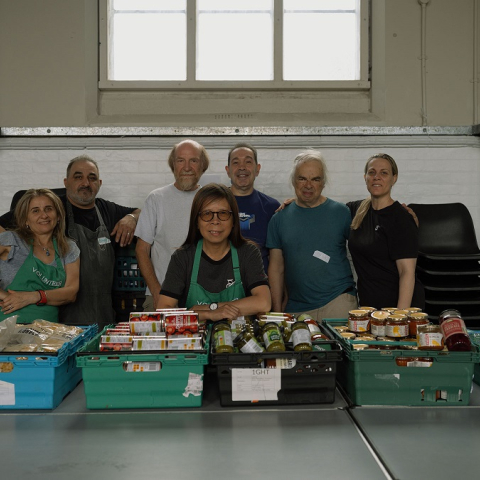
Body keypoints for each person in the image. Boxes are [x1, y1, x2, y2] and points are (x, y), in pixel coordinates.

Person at [0, 155, 141, 328]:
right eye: (78, 177)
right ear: (66, 182)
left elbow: (144, 212)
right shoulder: (50, 206)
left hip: (99, 313)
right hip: (58, 321)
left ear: (99, 183)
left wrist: (131, 218)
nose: (85, 183)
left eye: (92, 178)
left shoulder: (104, 210)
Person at [157, 183, 271, 321]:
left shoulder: (248, 252)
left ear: (234, 220)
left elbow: (264, 302)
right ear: (197, 221)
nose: (215, 221)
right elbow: (163, 309)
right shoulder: (183, 257)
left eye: (223, 213)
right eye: (207, 214)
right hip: (194, 340)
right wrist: (209, 314)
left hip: (239, 339)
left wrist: (209, 308)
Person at [266, 150, 357, 321]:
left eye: (315, 179)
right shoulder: (279, 219)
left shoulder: (341, 213)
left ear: (323, 183)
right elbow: (276, 269)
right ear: (293, 181)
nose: (308, 185)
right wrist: (277, 312)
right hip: (295, 310)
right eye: (302, 178)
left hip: (338, 303)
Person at [135, 139, 210, 311]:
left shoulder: (210, 198)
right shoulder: (156, 198)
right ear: (173, 165)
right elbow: (142, 249)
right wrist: (156, 291)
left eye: (194, 160)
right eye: (180, 160)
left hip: (204, 297)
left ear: (202, 166)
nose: (187, 167)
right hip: (162, 294)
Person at [347, 153, 425, 309]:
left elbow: (407, 273)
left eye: (384, 173)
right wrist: (300, 201)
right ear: (365, 177)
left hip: (397, 306)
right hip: (369, 306)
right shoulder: (355, 209)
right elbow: (325, 208)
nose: (377, 177)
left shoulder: (401, 218)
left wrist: (400, 317)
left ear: (394, 178)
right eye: (372, 172)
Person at [0, 189, 80, 324]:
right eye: (35, 211)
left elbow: (71, 292)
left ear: (58, 216)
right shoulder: (10, 240)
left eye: (49, 209)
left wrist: (33, 297)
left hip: (47, 332)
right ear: (26, 219)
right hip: (7, 328)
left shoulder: (68, 248)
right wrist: (4, 296)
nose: (44, 215)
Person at [226, 143, 280, 271]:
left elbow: (277, 259)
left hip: (260, 286)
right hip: (223, 285)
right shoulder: (215, 205)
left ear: (257, 169)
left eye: (248, 162)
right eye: (236, 163)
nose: (242, 167)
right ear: (227, 170)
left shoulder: (272, 207)